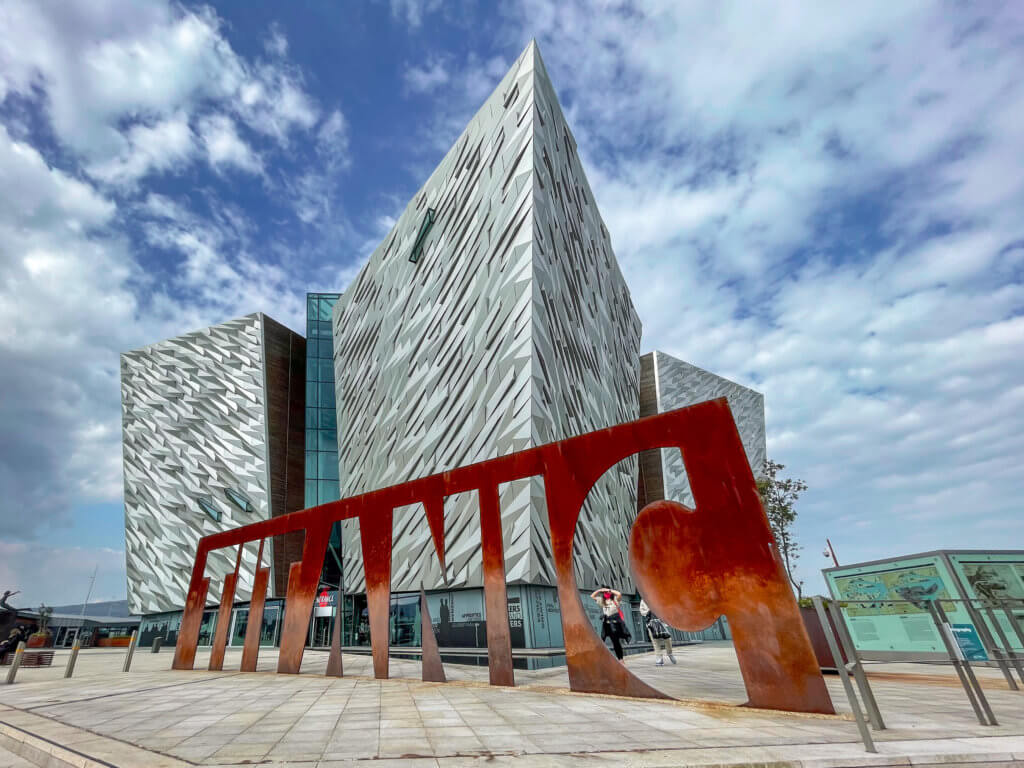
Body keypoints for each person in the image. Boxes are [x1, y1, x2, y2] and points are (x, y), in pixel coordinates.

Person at [590, 587, 630, 662]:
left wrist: (609, 590)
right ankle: (616, 659)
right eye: (604, 593)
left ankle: (621, 659)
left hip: (616, 623)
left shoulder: (615, 599)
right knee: (608, 641)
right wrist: (599, 590)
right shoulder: (602, 601)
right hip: (607, 624)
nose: (606, 593)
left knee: (616, 641)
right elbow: (592, 596)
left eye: (607, 592)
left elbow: (619, 594)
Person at [639, 599, 676, 666]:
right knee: (655, 641)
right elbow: (642, 611)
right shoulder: (643, 599)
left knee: (667, 638)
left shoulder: (657, 595)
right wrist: (649, 611)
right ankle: (659, 658)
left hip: (662, 622)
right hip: (651, 622)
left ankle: (669, 653)